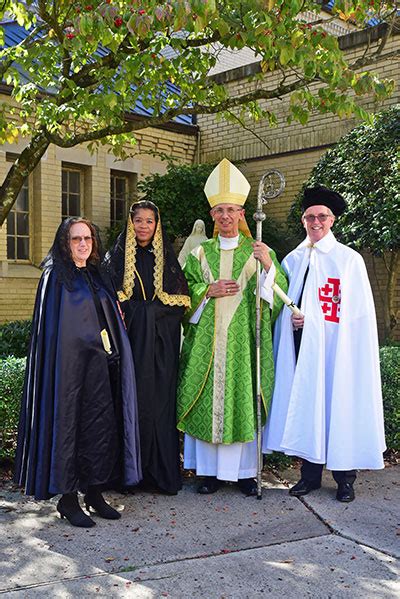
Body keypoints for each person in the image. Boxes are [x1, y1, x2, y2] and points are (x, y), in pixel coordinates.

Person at [14, 217, 142, 527]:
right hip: (67, 372)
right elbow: (53, 334)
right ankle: (68, 499)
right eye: (75, 239)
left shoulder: (97, 275)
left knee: (99, 429)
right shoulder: (54, 278)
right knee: (68, 428)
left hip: (99, 367)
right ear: (64, 243)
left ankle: (94, 494)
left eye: (87, 238)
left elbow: (108, 317)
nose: (83, 244)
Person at [263, 185, 386, 502]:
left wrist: (317, 322)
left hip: (337, 350)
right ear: (303, 221)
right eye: (309, 217)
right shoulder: (293, 259)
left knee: (337, 404)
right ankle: (310, 475)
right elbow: (282, 301)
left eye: (322, 216)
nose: (315, 221)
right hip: (302, 346)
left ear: (332, 220)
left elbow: (356, 314)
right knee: (308, 404)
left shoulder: (348, 260)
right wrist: (290, 320)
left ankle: (345, 479)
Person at [177, 158, 287, 495]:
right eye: (220, 210)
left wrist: (269, 267)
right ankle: (209, 474)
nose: (226, 216)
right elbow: (183, 294)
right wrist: (205, 292)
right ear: (212, 215)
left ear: (241, 214)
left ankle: (244, 474)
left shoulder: (258, 252)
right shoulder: (199, 254)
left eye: (232, 210)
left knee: (242, 400)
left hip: (243, 343)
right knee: (207, 400)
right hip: (206, 344)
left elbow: (278, 294)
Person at [105, 200, 190, 495]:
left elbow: (179, 304)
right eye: (138, 220)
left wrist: (147, 313)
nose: (143, 226)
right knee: (128, 404)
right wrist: (139, 313)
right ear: (130, 223)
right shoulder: (114, 259)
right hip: (128, 348)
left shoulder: (167, 260)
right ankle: (128, 475)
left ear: (157, 225)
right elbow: (108, 304)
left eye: (149, 221)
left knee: (160, 408)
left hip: (159, 350)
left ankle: (160, 475)